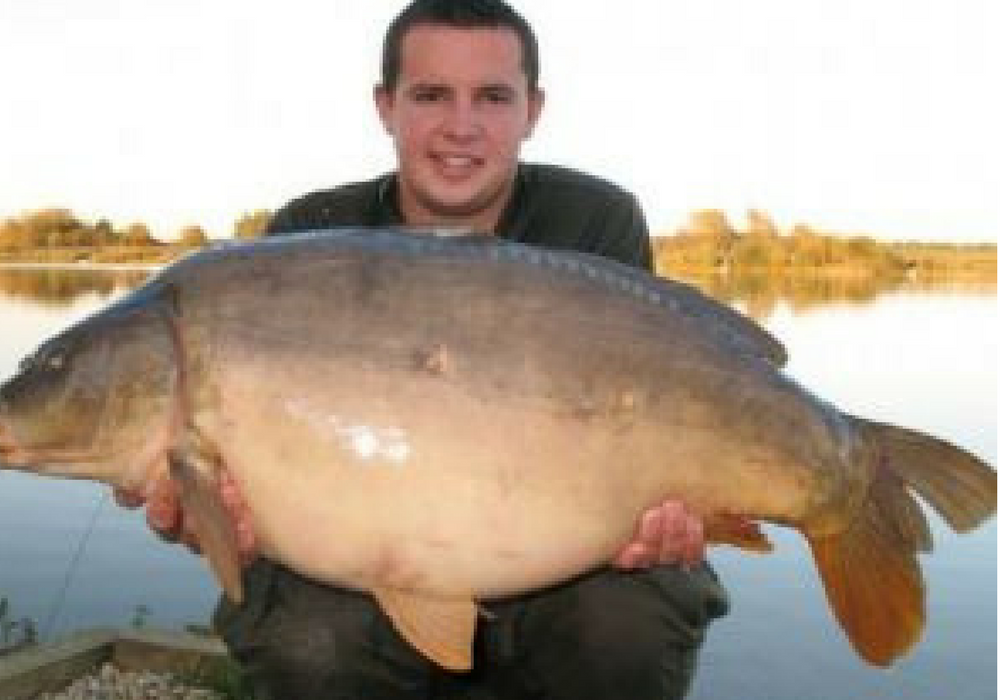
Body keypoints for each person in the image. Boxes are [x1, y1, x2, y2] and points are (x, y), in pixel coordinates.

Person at [118, 1, 728, 698]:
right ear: (387, 106)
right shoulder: (308, 239)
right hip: (357, 559)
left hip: (556, 559)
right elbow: (249, 477)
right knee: (309, 645)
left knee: (625, 627)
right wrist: (212, 517)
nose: (461, 125)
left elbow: (650, 415)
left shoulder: (594, 223)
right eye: (432, 94)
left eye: (492, 97)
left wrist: (673, 516)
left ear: (532, 110)